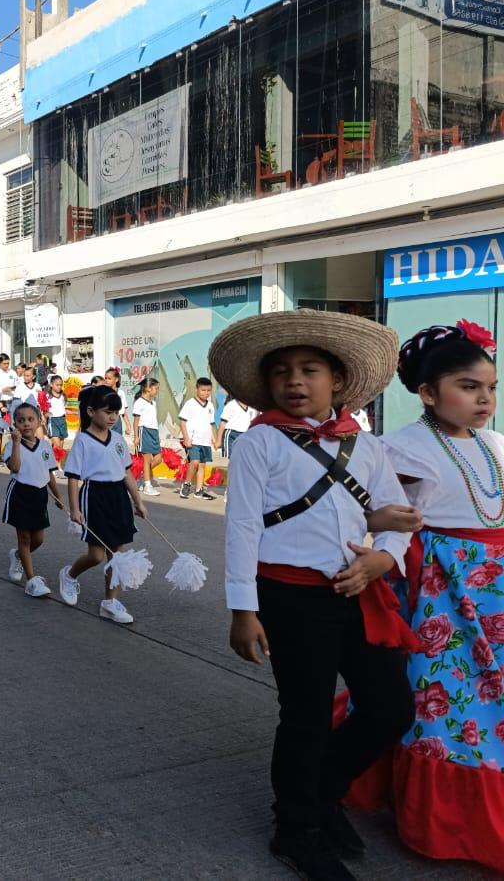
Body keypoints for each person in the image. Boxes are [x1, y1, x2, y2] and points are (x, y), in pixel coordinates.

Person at [212, 310, 416, 881]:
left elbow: (398, 518)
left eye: (308, 370)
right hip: (289, 597)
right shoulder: (260, 445)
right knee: (304, 717)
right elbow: (243, 529)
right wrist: (243, 610)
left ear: (338, 381)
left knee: (390, 707)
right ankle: (295, 829)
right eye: (281, 373)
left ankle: (322, 793)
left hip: (359, 593)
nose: (294, 381)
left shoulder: (366, 446)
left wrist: (384, 558)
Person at [365, 321, 504, 873]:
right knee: (443, 705)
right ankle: (439, 817)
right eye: (469, 386)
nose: (484, 399)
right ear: (426, 392)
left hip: (495, 594)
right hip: (440, 596)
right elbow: (371, 514)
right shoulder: (399, 448)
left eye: (490, 388)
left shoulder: (496, 444)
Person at [60, 384, 148, 624]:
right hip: (94, 497)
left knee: (117, 555)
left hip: (118, 497)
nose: (112, 418)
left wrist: (138, 501)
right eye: (107, 412)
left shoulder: (118, 439)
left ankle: (109, 602)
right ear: (90, 411)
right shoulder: (82, 442)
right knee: (96, 555)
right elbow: (73, 478)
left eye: (116, 413)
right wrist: (75, 509)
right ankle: (69, 574)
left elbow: (127, 473)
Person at [2, 402, 61, 598]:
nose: (26, 424)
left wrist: (58, 496)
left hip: (40, 495)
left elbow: (50, 473)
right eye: (21, 420)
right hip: (20, 494)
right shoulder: (11, 445)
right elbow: (15, 467)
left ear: (38, 421)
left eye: (30, 419)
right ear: (15, 424)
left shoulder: (45, 446)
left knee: (38, 539)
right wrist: (17, 444)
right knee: (25, 538)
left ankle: (18, 555)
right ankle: (32, 580)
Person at [178, 377, 218, 500]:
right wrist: (186, 438)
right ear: (197, 389)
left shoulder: (210, 406)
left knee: (202, 465)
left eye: (208, 390)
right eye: (203, 390)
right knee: (194, 463)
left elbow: (211, 424)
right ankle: (187, 484)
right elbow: (182, 422)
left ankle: (199, 490)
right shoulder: (190, 403)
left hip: (205, 441)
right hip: (193, 440)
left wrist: (214, 439)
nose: (206, 393)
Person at [132, 378, 162, 497]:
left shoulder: (153, 403)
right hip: (143, 431)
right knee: (147, 459)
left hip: (153, 432)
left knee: (158, 458)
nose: (157, 391)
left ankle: (142, 477)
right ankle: (147, 486)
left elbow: (153, 420)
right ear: (148, 388)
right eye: (156, 388)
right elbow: (136, 421)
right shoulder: (139, 402)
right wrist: (136, 437)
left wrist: (157, 435)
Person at [43, 374, 68, 446]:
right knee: (58, 446)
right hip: (53, 421)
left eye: (61, 385)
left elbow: (63, 408)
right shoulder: (47, 396)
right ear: (51, 384)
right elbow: (43, 408)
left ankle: (54, 456)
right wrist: (44, 415)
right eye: (57, 385)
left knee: (61, 445)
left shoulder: (63, 395)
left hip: (62, 420)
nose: (59, 387)